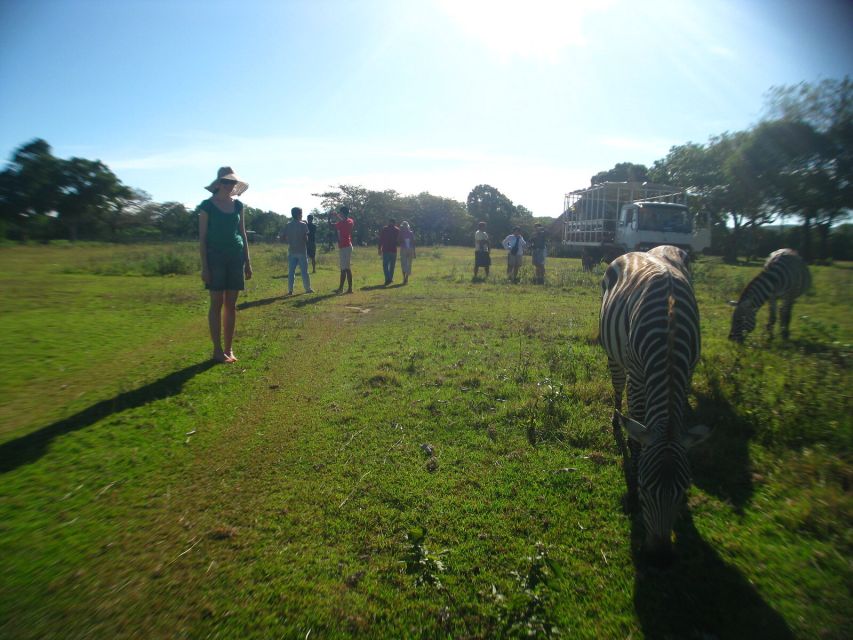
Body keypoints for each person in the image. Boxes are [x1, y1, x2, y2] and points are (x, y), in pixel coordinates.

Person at [197, 166, 252, 363]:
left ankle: (229, 349)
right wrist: (205, 267)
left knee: (231, 304)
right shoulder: (207, 206)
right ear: (219, 183)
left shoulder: (238, 206)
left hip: (235, 257)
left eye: (233, 182)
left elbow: (243, 233)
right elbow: (202, 238)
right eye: (227, 181)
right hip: (215, 258)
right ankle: (217, 351)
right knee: (216, 303)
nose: (231, 185)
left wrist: (247, 261)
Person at [282, 207, 314, 295]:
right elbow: (306, 238)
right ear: (298, 214)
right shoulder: (303, 224)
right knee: (304, 271)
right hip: (301, 251)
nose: (302, 215)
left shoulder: (288, 225)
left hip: (292, 251)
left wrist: (290, 240)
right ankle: (307, 289)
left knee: (291, 272)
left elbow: (284, 237)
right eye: (301, 213)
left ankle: (290, 290)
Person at [334, 205, 354, 294]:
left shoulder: (343, 223)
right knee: (345, 268)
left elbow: (341, 224)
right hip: (345, 246)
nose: (339, 214)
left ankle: (344, 288)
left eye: (340, 213)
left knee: (345, 269)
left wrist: (333, 217)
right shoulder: (349, 221)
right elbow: (343, 221)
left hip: (345, 247)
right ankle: (346, 288)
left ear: (342, 213)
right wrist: (336, 216)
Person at [378, 218, 400, 285]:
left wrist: (379, 248)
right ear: (394, 223)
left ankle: (388, 278)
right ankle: (390, 278)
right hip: (393, 250)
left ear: (389, 222)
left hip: (386, 249)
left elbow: (381, 239)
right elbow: (399, 240)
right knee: (392, 265)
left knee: (385, 265)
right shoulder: (397, 230)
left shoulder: (385, 229)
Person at [398, 221, 416, 285]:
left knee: (408, 263)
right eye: (404, 226)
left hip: (409, 249)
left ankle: (406, 278)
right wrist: (402, 240)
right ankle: (404, 278)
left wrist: (414, 252)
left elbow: (413, 242)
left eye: (406, 226)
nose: (405, 227)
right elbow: (398, 241)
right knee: (404, 263)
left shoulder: (411, 233)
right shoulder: (401, 233)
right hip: (404, 249)